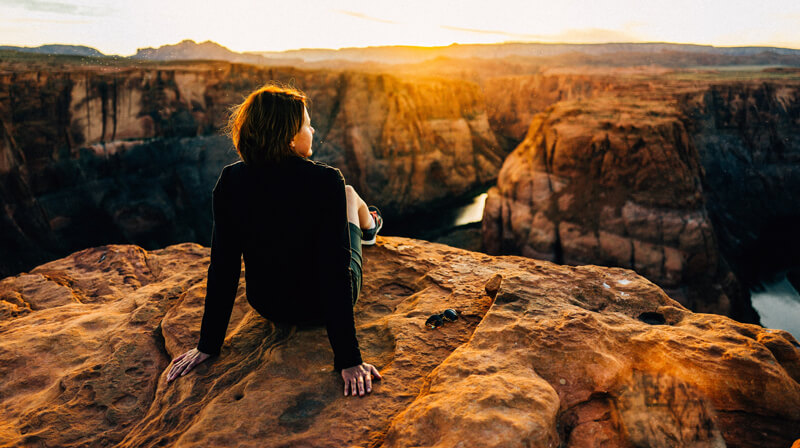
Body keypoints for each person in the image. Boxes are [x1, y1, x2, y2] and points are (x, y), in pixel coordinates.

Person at [166, 83, 383, 398]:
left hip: (268, 304)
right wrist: (348, 360)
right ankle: (371, 227)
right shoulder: (325, 182)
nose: (313, 130)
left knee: (345, 196)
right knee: (349, 195)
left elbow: (223, 268)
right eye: (308, 124)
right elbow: (335, 274)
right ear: (291, 136)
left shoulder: (231, 181)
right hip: (319, 308)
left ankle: (369, 224)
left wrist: (208, 345)